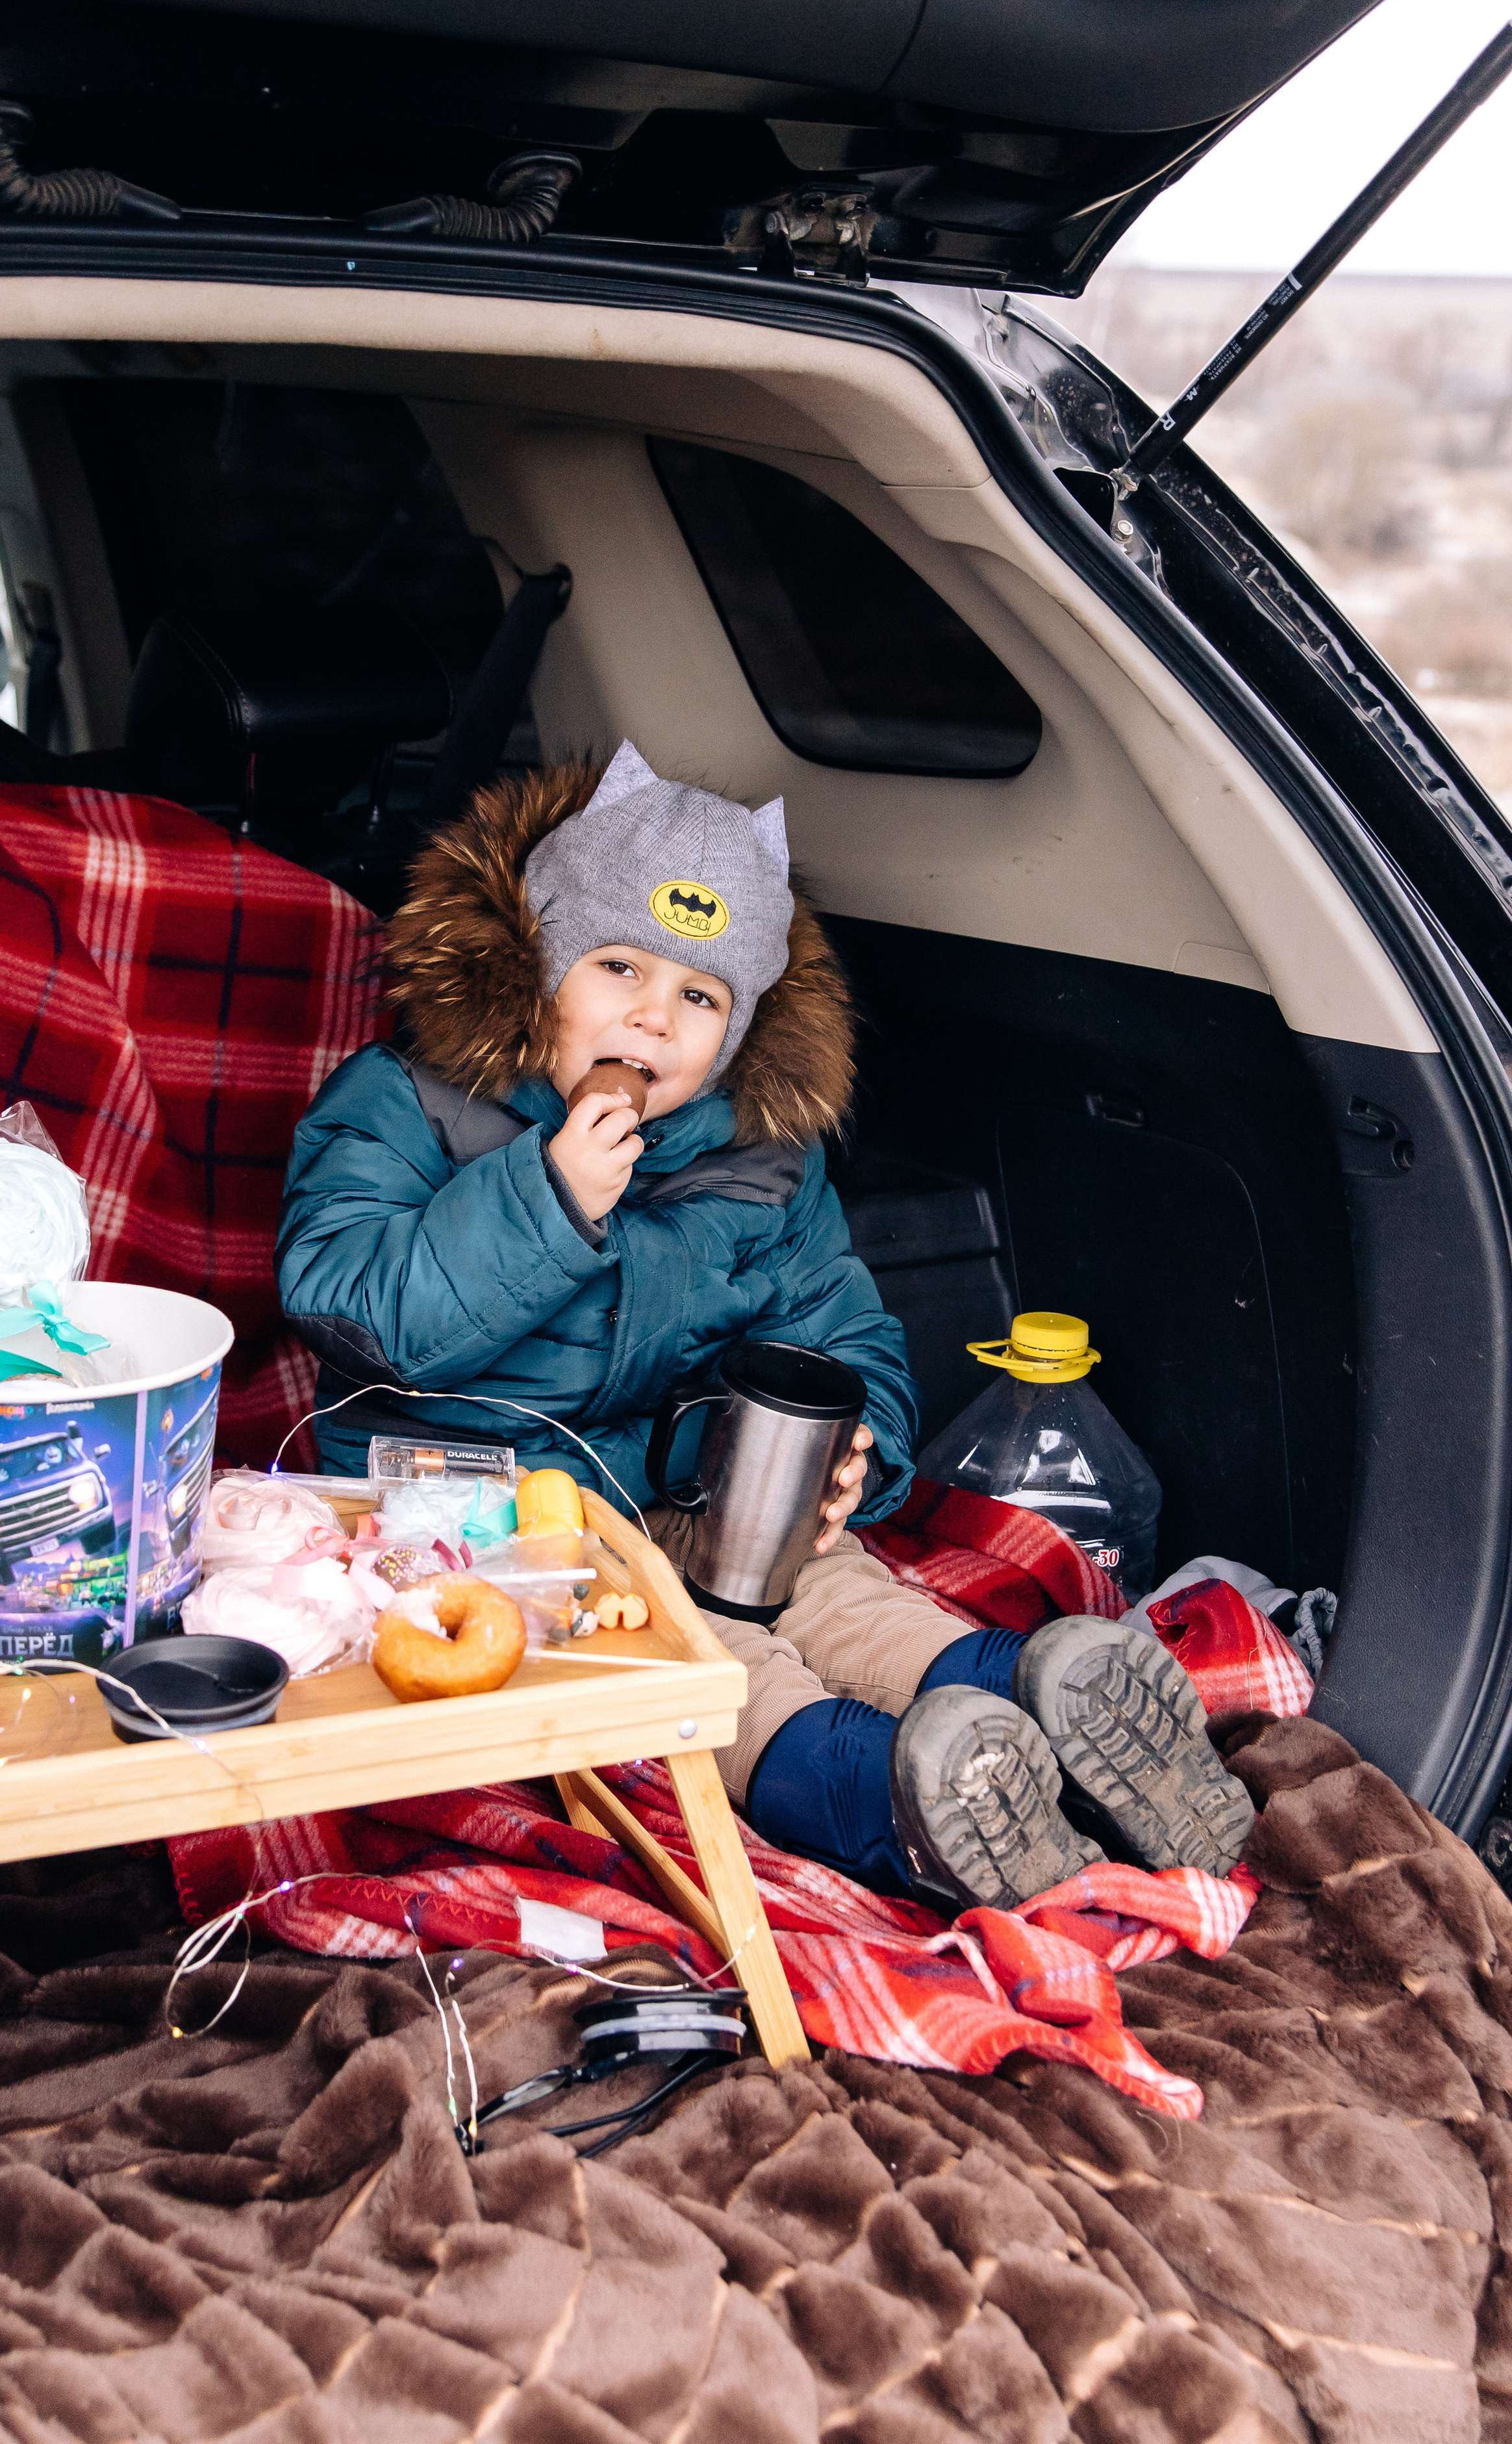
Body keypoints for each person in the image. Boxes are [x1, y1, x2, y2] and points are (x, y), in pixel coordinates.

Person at [277, 742, 1252, 1906]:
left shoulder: (756, 1162)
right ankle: (897, 1799)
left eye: (700, 997)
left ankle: (1056, 1710)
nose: (654, 1018)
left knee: (836, 1591)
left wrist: (862, 1452)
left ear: (736, 1032)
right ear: (537, 965)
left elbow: (846, 1330)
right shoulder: (407, 1102)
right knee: (715, 1662)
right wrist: (544, 1201)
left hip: (707, 1494)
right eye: (618, 967)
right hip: (486, 1518)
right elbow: (350, 1306)